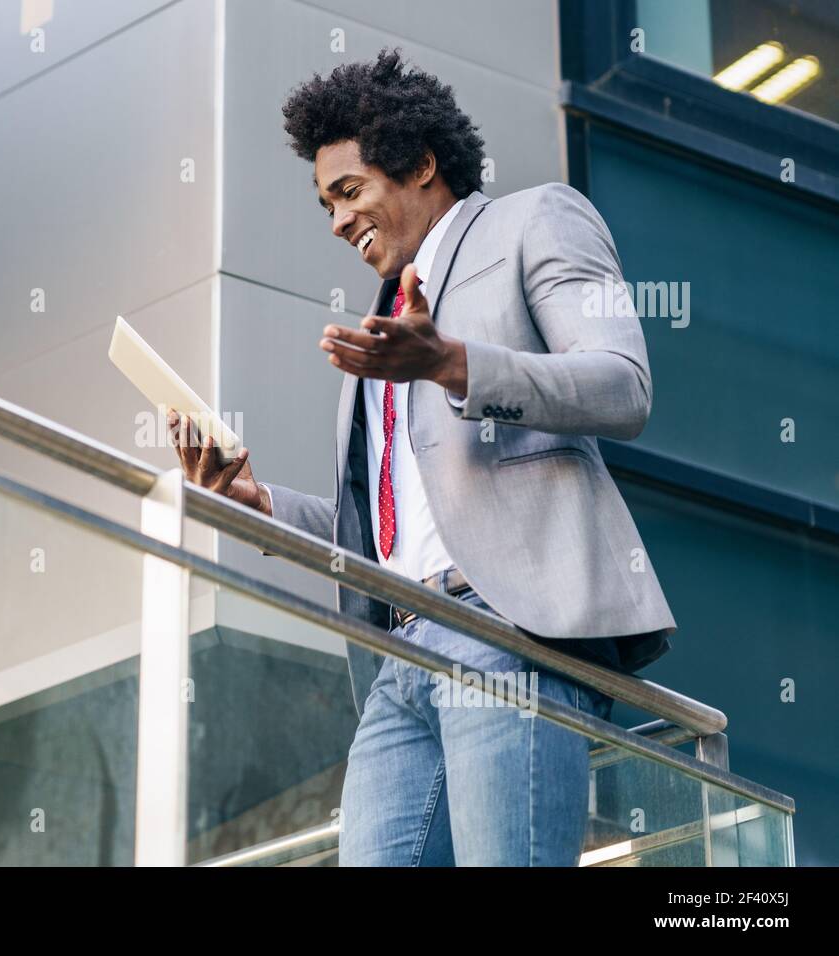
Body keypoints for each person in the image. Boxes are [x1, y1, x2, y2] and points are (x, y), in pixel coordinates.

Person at [165, 48, 675, 866]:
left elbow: (624, 387)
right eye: (325, 203)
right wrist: (257, 506)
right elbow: (385, 532)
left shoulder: (535, 220)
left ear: (422, 165)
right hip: (397, 659)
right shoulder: (385, 321)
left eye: (348, 190)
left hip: (505, 634)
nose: (335, 219)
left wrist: (453, 364)